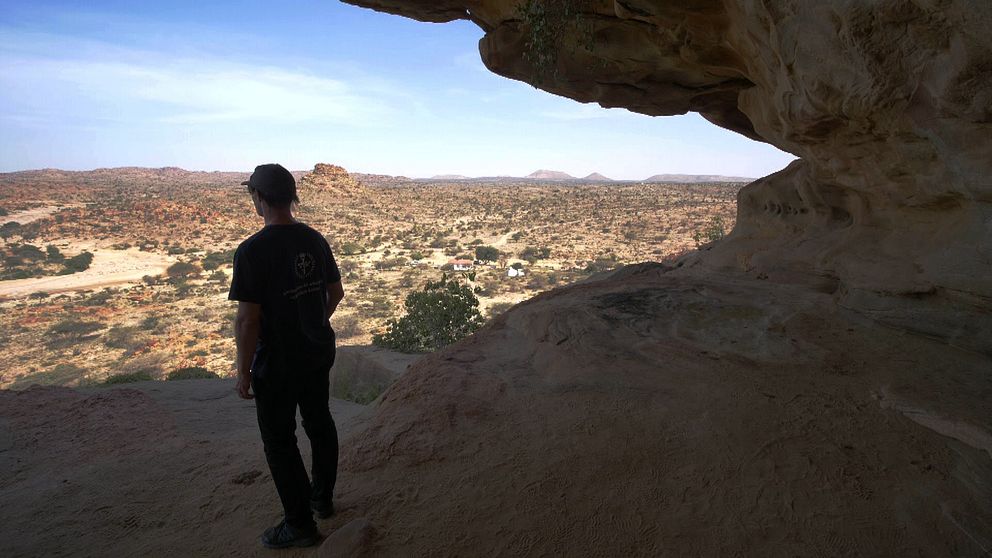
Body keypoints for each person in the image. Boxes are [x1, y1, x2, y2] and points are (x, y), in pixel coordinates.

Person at [229, 163, 345, 549]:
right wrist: (312, 322)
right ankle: (322, 499)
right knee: (319, 421)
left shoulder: (251, 251)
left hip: (277, 362)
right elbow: (336, 293)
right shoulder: (314, 239)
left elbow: (248, 320)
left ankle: (299, 524)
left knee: (280, 441)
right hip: (315, 351)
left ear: (259, 198)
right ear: (292, 197)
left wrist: (243, 372)